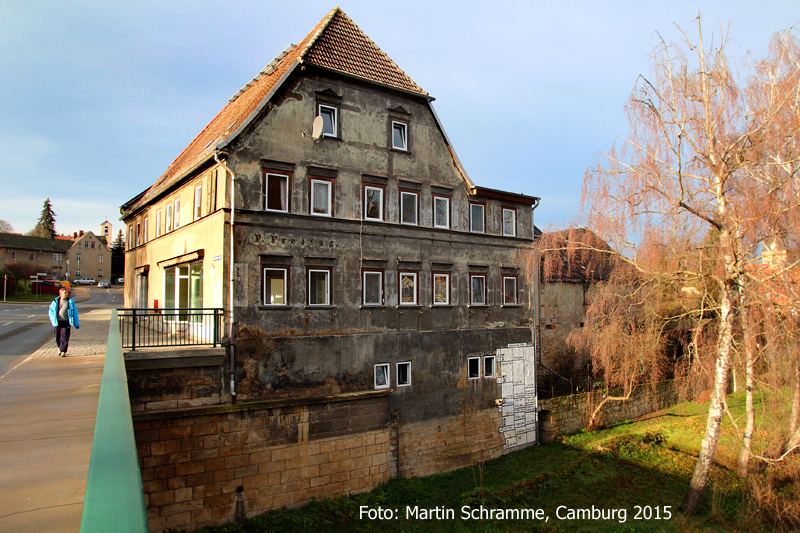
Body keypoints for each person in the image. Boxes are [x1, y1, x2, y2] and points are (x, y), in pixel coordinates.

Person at [48, 287, 80, 357]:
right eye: (65, 293)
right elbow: (51, 311)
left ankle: (63, 351)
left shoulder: (70, 301)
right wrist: (52, 319)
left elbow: (75, 312)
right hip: (57, 322)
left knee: (65, 336)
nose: (66, 294)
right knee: (57, 336)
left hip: (66, 321)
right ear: (60, 293)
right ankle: (60, 348)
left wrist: (76, 323)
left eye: (67, 292)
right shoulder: (55, 301)